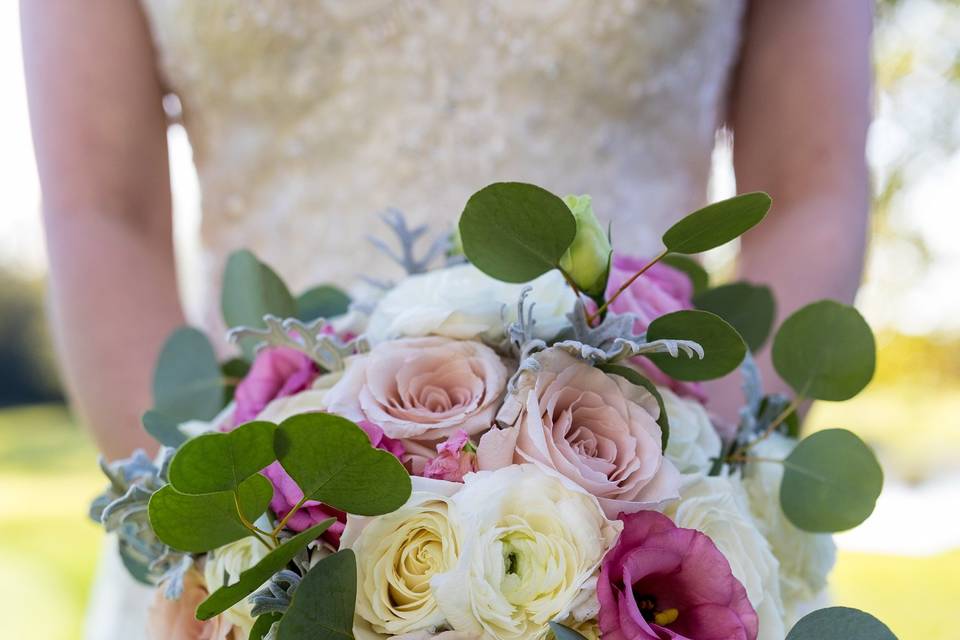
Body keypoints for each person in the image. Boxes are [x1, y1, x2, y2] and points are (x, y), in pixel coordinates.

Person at [22, 1, 872, 638]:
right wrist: (220, 526)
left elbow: (811, 189)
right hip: (259, 538)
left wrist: (662, 490)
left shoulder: (664, 508)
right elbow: (103, 211)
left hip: (655, 525)